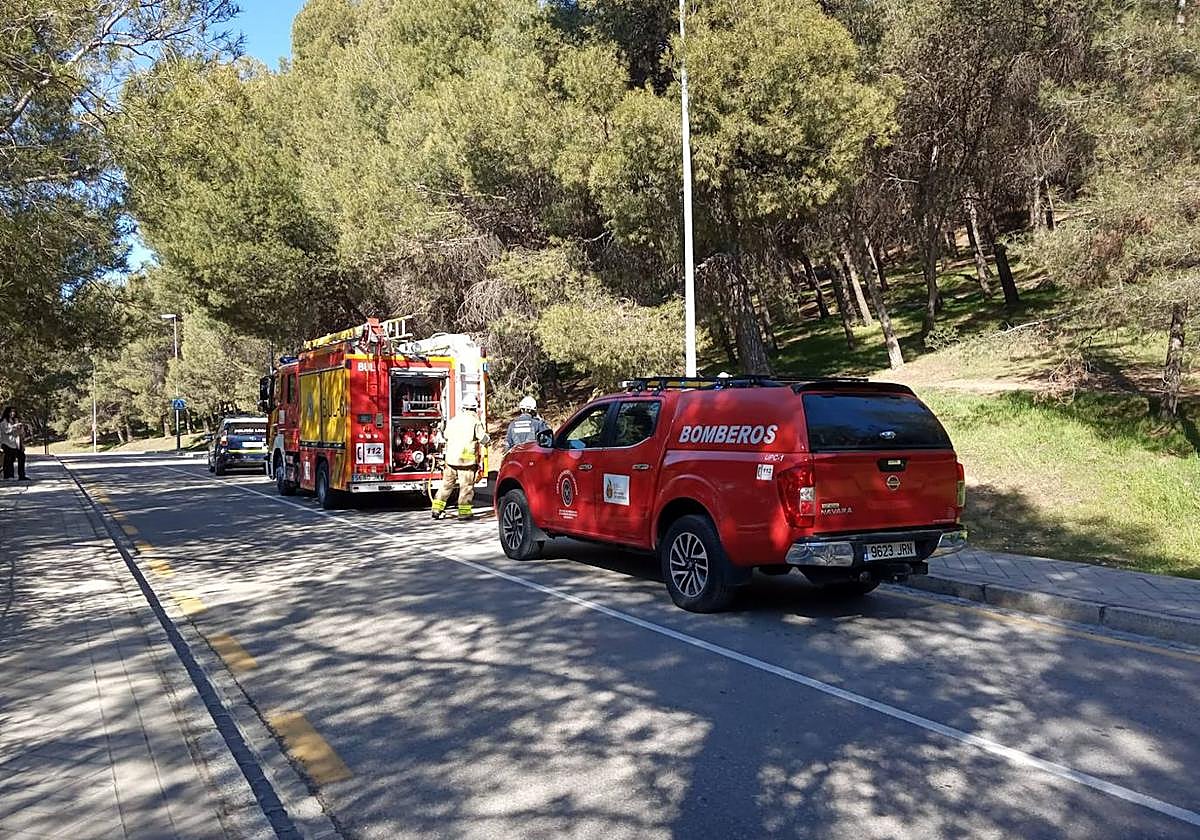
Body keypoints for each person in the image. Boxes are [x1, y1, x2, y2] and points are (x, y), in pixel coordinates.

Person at [432, 394, 490, 521]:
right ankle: (464, 513)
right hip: (466, 462)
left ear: (463, 408)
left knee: (446, 486)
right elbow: (483, 439)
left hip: (451, 460)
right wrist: (488, 439)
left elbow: (446, 435)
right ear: (475, 409)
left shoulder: (453, 420)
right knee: (466, 488)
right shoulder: (475, 422)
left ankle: (436, 509)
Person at [1, 407, 29, 481]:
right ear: (7, 412)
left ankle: (22, 475)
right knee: (9, 460)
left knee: (22, 457)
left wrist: (22, 444)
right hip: (7, 443)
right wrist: (14, 426)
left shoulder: (16, 421)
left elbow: (20, 434)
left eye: (14, 412)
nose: (13, 413)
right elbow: (6, 431)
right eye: (11, 412)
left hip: (16, 443)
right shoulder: (4, 421)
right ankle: (8, 476)